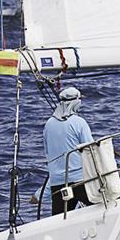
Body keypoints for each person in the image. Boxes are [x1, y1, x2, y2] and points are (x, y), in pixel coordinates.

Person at [44, 87, 94, 215]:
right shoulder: (79, 122)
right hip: (80, 180)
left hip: (57, 182)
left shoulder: (48, 124)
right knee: (99, 209)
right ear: (75, 102)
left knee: (59, 219)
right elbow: (91, 150)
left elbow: (47, 153)